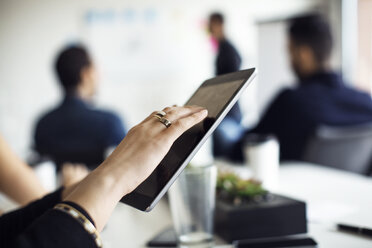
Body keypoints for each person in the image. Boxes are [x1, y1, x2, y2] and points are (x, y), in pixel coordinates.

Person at [0, 105, 208, 247]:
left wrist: (85, 188)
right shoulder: (110, 120)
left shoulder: (41, 122)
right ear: (87, 73)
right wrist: (112, 179)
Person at [232, 14, 372, 162]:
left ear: (304, 54)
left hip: (294, 184)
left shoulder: (290, 101)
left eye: (290, 51)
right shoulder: (365, 102)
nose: (289, 61)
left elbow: (242, 150)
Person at [34, 45, 127, 170]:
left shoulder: (43, 124)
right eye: (95, 69)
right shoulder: (110, 122)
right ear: (85, 74)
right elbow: (126, 167)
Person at [208, 12, 244, 161]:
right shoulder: (222, 49)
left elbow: (231, 85)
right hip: (223, 115)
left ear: (219, 24)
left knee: (226, 160)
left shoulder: (229, 51)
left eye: (211, 23)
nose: (209, 28)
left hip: (228, 116)